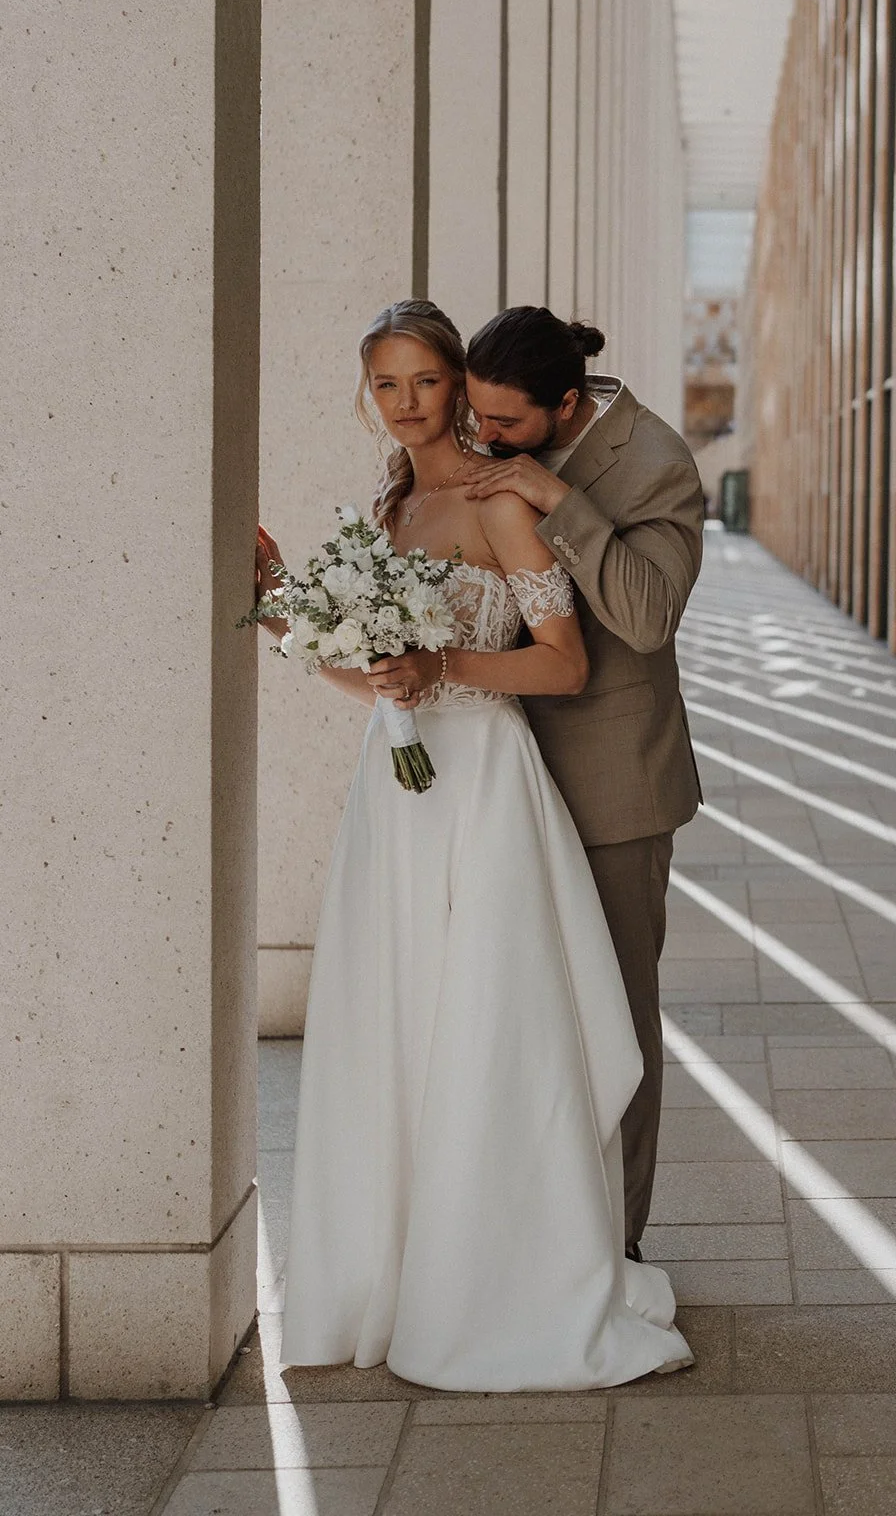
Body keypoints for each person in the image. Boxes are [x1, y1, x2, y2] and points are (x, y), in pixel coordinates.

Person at [257, 299, 693, 1390]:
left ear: (463, 385)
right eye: (387, 386)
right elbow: (365, 668)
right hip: (402, 793)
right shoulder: (390, 503)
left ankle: (562, 1255)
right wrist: (283, 605)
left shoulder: (525, 489)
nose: (412, 407)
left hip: (513, 781)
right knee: (400, 1020)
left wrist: (440, 671)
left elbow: (582, 653)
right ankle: (407, 1258)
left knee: (529, 1023)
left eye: (429, 383)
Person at [382, 307, 705, 1257]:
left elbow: (645, 618)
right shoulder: (477, 436)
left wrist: (557, 501)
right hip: (495, 780)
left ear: (566, 406)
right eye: (472, 412)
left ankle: (615, 1243)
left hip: (611, 784)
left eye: (507, 425)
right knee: (512, 1015)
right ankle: (524, 1233)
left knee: (612, 1018)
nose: (482, 435)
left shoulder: (656, 460)